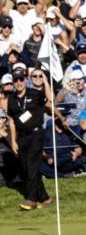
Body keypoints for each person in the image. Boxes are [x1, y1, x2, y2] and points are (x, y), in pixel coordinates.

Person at [7, 68, 53, 210]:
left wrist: (45, 81)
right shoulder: (12, 99)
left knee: (32, 166)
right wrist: (13, 140)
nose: (19, 82)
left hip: (36, 135)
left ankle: (31, 199)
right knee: (27, 169)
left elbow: (50, 99)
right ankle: (45, 198)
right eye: (16, 80)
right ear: (13, 82)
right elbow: (12, 121)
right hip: (21, 137)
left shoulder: (35, 93)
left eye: (21, 79)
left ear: (25, 80)